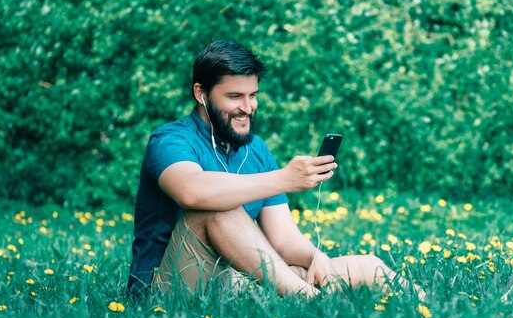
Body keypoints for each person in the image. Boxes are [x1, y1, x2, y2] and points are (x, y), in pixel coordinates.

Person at [127, 40, 425, 300]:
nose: (248, 107)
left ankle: (434, 309)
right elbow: (192, 192)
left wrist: (314, 256)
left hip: (236, 279)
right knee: (219, 205)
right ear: (200, 93)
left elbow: (282, 239)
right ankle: (309, 300)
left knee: (366, 266)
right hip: (166, 288)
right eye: (234, 97)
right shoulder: (170, 140)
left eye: (252, 95)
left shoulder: (256, 150)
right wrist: (285, 178)